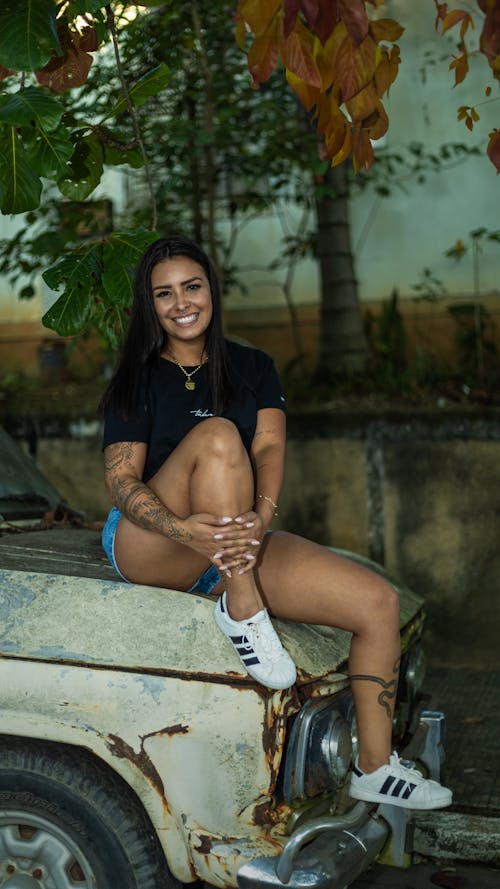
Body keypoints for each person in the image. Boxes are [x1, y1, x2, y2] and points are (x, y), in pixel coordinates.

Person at [99, 235, 452, 811]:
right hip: (156, 544)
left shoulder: (253, 367)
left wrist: (261, 518)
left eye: (191, 286)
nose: (180, 302)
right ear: (149, 305)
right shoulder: (136, 377)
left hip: (235, 536)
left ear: (212, 288)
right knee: (216, 435)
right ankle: (244, 603)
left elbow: (268, 453)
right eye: (163, 294)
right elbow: (122, 482)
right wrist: (185, 531)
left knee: (378, 604)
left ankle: (375, 766)